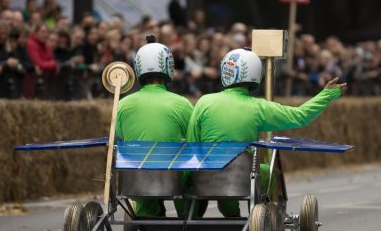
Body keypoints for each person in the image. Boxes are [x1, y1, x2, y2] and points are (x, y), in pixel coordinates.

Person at [186, 47, 346, 217]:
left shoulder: (204, 102)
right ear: (255, 74)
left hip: (204, 177)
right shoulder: (259, 107)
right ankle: (259, 214)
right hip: (240, 177)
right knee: (265, 173)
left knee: (222, 166)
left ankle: (229, 212)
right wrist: (326, 95)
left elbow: (191, 144)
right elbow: (301, 116)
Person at [115, 36, 193, 217]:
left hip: (137, 175)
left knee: (138, 160)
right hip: (172, 176)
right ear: (168, 67)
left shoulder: (123, 104)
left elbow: (121, 135)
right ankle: (187, 213)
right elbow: (194, 139)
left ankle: (147, 211)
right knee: (190, 167)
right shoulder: (181, 103)